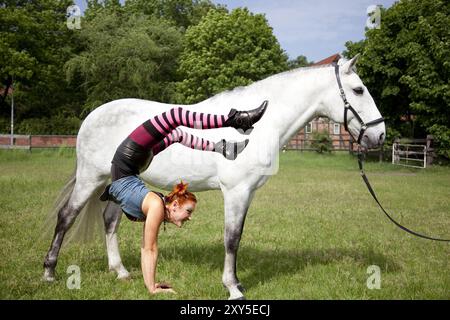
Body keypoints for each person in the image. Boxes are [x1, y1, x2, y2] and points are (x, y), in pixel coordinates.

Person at [100, 101, 268, 294]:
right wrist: (151, 287)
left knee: (175, 116)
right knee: (177, 133)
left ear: (174, 204)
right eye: (189, 213)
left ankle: (236, 120)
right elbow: (148, 248)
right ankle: (222, 148)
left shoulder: (155, 205)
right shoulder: (155, 205)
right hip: (136, 161)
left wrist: (152, 288)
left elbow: (149, 249)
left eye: (187, 212)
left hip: (129, 157)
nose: (189, 218)